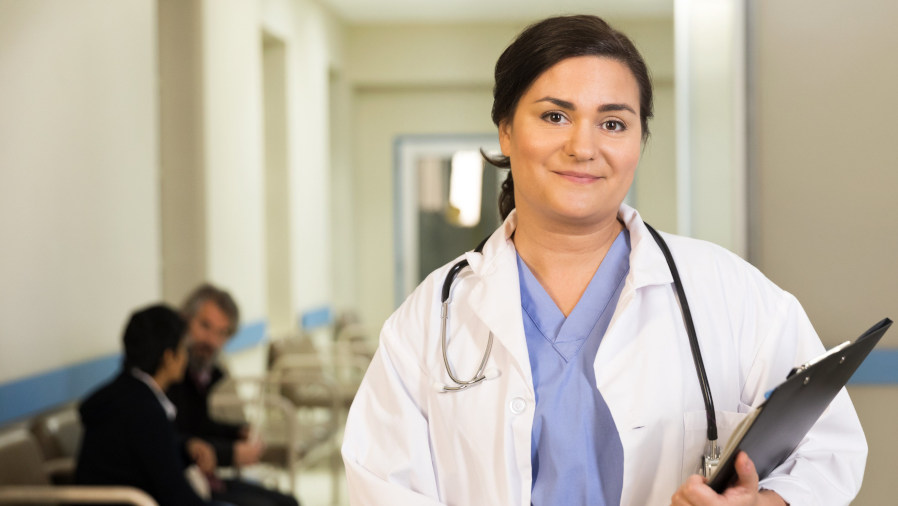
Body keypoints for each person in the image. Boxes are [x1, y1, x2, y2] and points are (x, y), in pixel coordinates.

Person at [341, 15, 866, 506]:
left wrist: (768, 502)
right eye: (554, 115)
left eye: (613, 123)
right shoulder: (430, 318)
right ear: (505, 130)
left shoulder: (728, 291)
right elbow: (381, 483)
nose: (583, 146)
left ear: (640, 140)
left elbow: (829, 443)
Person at [76, 305, 228, 506]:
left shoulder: (126, 394)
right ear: (168, 358)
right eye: (183, 348)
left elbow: (147, 459)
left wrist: (185, 447)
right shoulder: (144, 411)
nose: (186, 356)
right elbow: (177, 496)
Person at [167, 284, 299, 506]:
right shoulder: (169, 376)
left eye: (221, 333)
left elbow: (195, 426)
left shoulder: (203, 373)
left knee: (288, 502)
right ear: (185, 320)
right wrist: (230, 454)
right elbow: (176, 440)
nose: (211, 341)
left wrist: (236, 434)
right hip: (184, 486)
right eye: (205, 326)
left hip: (203, 478)